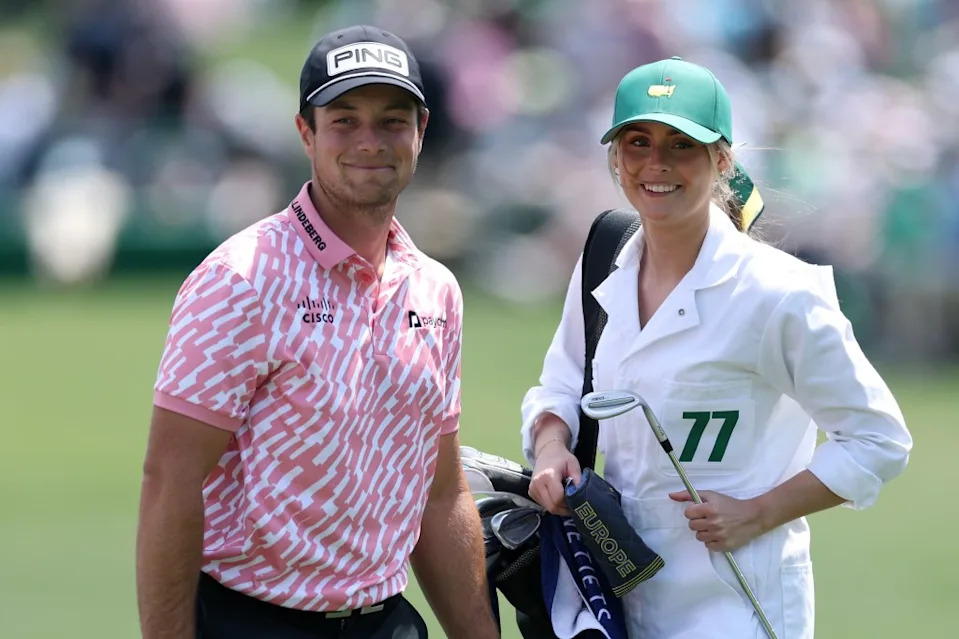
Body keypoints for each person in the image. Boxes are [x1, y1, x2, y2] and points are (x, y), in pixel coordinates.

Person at [521, 56, 912, 638]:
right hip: (616, 600)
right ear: (615, 158)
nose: (656, 164)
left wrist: (761, 512)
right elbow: (562, 383)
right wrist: (553, 446)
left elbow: (880, 440)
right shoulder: (604, 258)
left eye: (682, 145)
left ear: (721, 159)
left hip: (741, 608)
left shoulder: (779, 293)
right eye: (637, 142)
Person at [136, 24, 499, 639]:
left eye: (392, 121)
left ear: (421, 131)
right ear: (307, 133)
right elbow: (171, 481)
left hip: (386, 621)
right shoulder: (241, 278)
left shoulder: (436, 290)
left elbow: (438, 495)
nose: (370, 141)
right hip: (251, 619)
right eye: (344, 120)